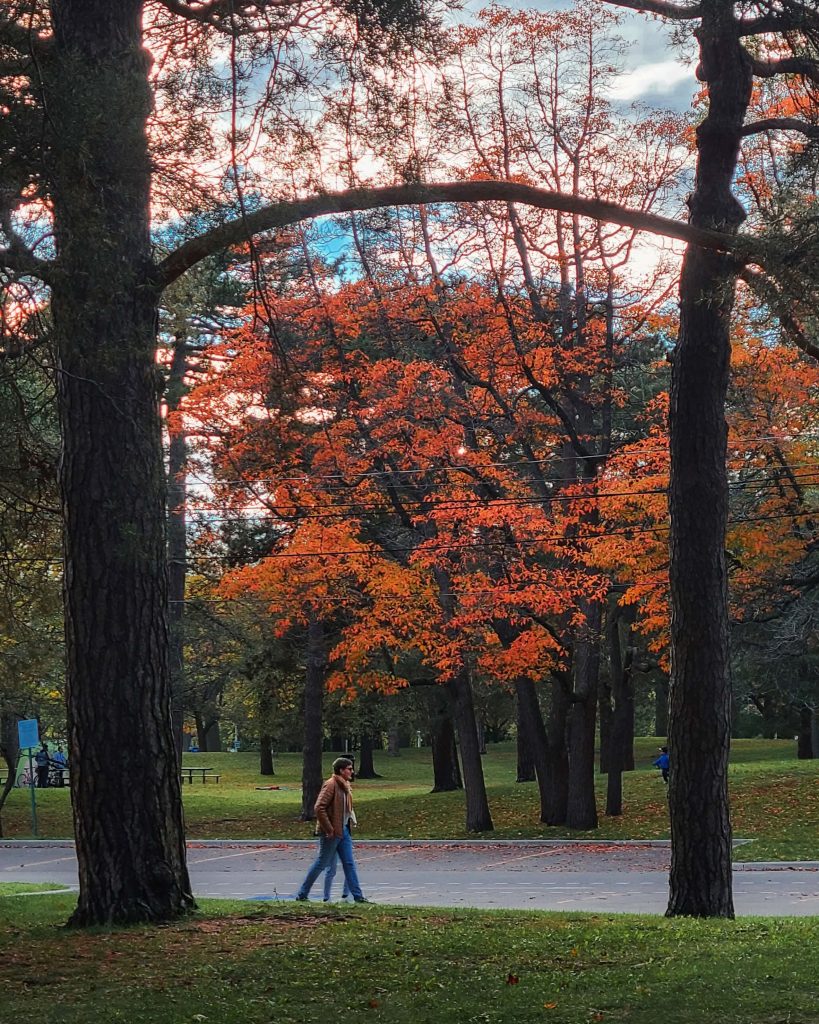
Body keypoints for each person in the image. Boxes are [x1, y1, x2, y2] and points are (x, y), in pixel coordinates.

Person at [295, 757, 369, 904]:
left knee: (349, 863)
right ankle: (302, 894)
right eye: (349, 769)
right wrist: (329, 828)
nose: (352, 771)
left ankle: (358, 896)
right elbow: (319, 807)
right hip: (331, 833)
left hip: (343, 830)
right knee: (322, 863)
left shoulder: (345, 785)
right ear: (341, 770)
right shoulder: (331, 785)